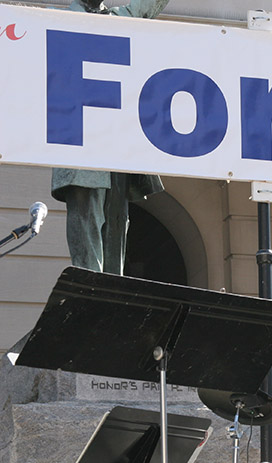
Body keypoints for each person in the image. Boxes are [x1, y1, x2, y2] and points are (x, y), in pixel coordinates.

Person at [52, 0, 170, 274]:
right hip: (77, 138)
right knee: (86, 216)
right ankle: (89, 281)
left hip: (115, 142)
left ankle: (110, 287)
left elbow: (147, 7)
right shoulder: (57, 20)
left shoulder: (118, 18)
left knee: (118, 222)